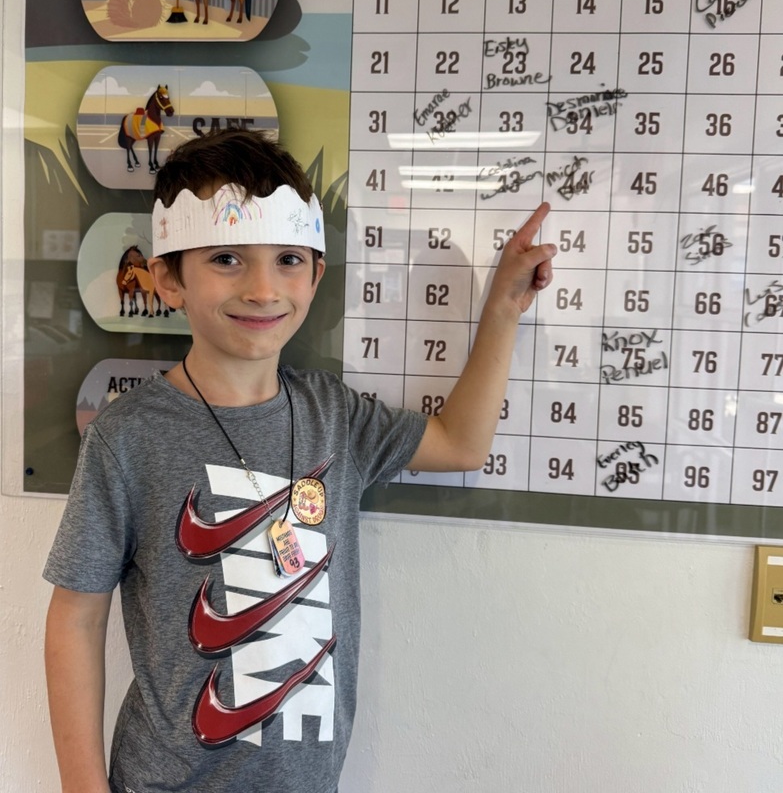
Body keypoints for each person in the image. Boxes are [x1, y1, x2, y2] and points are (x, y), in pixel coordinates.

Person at [44, 128, 555, 793]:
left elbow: (459, 442)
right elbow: (75, 616)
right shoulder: (128, 435)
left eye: (288, 258)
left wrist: (503, 310)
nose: (263, 288)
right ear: (168, 278)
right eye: (227, 257)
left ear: (315, 274)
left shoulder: (334, 416)